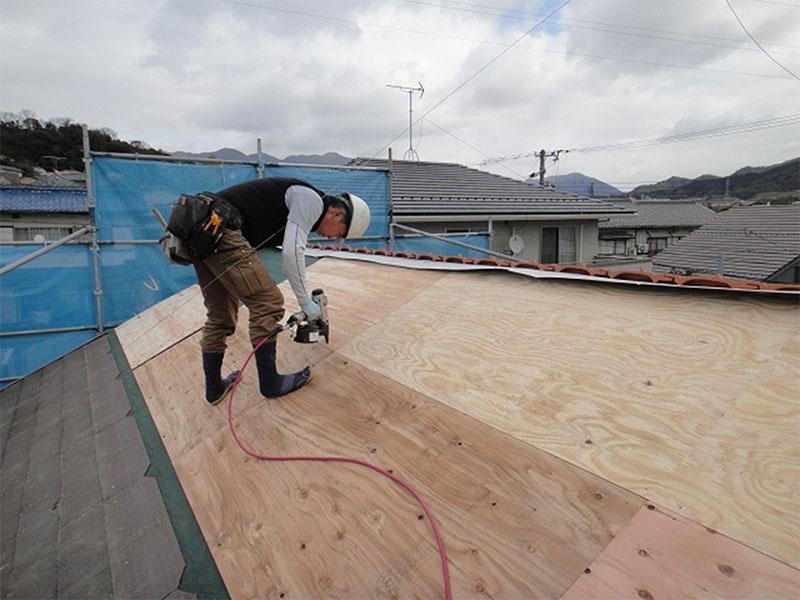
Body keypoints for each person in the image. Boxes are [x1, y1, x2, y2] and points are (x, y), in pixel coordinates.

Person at [192, 177, 370, 405]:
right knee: (268, 303)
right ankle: (270, 383)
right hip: (221, 229)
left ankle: (214, 389)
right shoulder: (311, 200)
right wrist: (305, 302)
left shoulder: (296, 202)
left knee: (220, 315)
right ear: (336, 214)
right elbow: (292, 252)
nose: (332, 238)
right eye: (340, 233)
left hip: (203, 232)